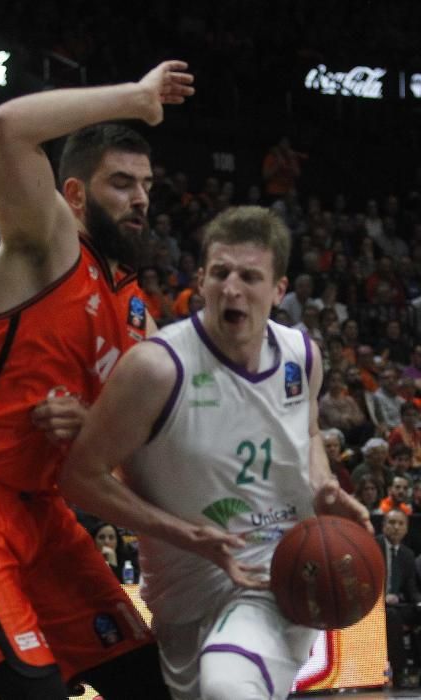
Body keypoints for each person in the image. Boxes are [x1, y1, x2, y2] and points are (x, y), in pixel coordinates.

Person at [0, 61, 195, 700]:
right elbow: (6, 128)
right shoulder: (48, 245)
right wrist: (135, 97)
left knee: (148, 683)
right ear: (75, 195)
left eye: (146, 185)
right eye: (120, 183)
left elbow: (132, 447)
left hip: (44, 513)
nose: (139, 198)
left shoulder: (136, 311)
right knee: (32, 692)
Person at [61, 205, 371, 700]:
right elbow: (79, 478)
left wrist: (322, 484)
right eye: (221, 273)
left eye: (250, 276)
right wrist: (187, 536)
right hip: (184, 594)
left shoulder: (300, 356)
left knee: (230, 685)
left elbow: (308, 431)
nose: (232, 288)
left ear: (279, 290)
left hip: (280, 575)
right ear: (200, 280)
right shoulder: (157, 369)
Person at [377, 510, 421, 689]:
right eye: (392, 522)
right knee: (392, 616)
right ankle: (400, 671)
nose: (396, 527)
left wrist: (419, 602)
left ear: (406, 529)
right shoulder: (373, 546)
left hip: (398, 605)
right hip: (376, 606)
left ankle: (418, 669)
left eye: (400, 524)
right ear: (383, 525)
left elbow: (412, 590)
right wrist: (383, 597)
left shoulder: (407, 554)